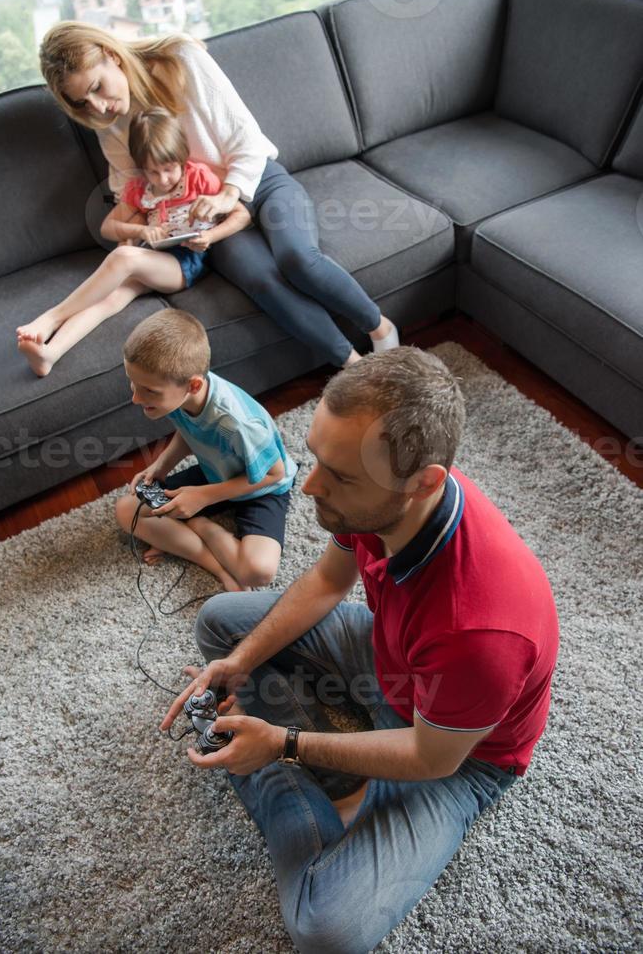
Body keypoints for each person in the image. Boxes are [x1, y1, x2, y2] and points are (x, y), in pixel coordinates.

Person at [160, 347, 560, 954]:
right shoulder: (375, 493)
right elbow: (326, 582)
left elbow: (432, 758)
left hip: (458, 753)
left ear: (425, 482)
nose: (310, 485)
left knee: (326, 930)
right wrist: (240, 663)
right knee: (222, 625)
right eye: (318, 459)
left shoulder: (480, 632)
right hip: (392, 652)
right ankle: (304, 756)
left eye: (338, 476)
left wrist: (285, 745)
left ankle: (288, 764)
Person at [38, 22, 399, 371]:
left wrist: (228, 194)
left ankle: (380, 328)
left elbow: (247, 140)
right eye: (83, 102)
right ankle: (353, 366)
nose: (98, 107)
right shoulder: (109, 123)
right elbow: (131, 192)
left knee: (297, 259)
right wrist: (144, 232)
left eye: (98, 87)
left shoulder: (178, 59)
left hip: (259, 182)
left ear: (110, 54)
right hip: (209, 220)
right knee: (261, 281)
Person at [16, 107, 251, 376]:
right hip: (150, 257)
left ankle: (51, 318)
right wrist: (141, 232)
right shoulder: (140, 189)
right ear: (141, 166)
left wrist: (210, 236)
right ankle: (49, 354)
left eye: (169, 168)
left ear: (181, 157)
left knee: (122, 257)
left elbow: (242, 214)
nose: (163, 179)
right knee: (110, 297)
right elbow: (108, 227)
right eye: (153, 172)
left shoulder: (199, 178)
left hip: (184, 263)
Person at [115, 308, 297, 592]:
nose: (136, 398)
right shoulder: (179, 396)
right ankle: (216, 566)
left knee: (258, 571)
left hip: (258, 485)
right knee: (128, 509)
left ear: (193, 385)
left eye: (148, 390)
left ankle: (200, 526)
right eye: (133, 383)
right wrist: (160, 466)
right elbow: (190, 432)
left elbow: (276, 473)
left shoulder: (234, 423)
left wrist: (202, 498)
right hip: (215, 470)